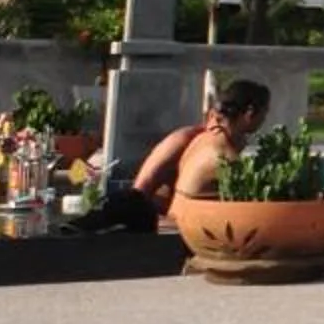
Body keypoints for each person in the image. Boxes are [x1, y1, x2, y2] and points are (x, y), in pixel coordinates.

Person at [71, 80, 269, 232]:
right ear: (249, 113)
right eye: (264, 114)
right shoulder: (187, 140)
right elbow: (139, 193)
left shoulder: (225, 143)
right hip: (166, 224)